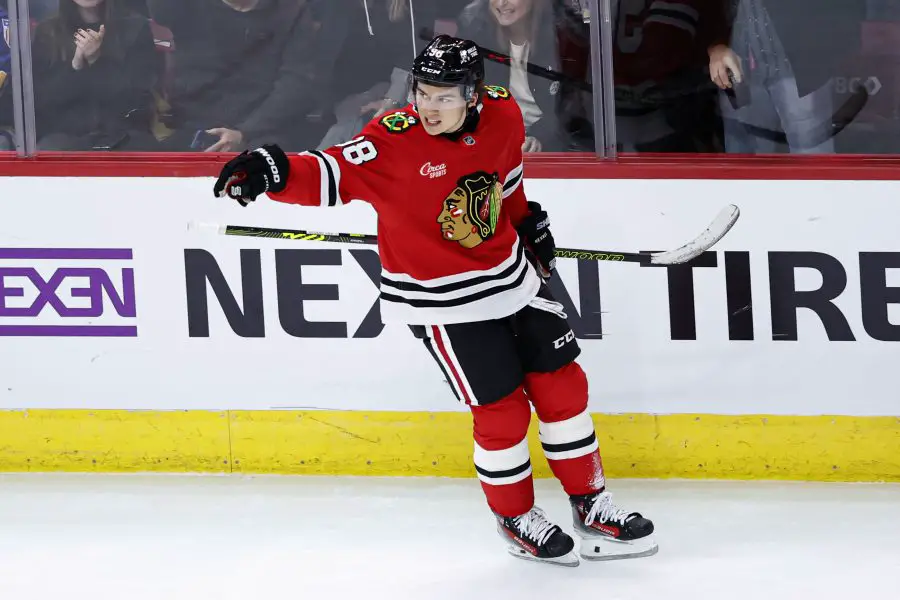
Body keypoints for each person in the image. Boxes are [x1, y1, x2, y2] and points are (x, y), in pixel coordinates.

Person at [212, 34, 657, 566]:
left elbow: (505, 182)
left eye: (445, 96)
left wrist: (523, 223)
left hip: (511, 276)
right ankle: (515, 517)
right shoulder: (392, 140)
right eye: (423, 92)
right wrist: (274, 171)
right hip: (441, 300)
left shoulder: (503, 113)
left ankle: (591, 505)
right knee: (503, 411)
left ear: (474, 94)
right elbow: (328, 174)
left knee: (564, 388)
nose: (428, 106)